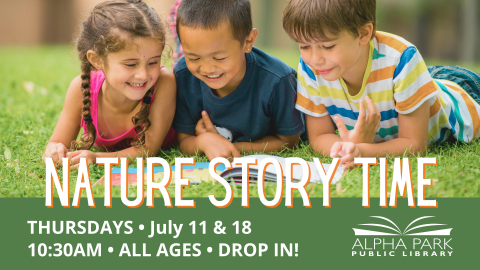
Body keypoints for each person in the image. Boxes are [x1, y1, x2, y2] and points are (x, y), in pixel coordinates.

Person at [282, 0, 480, 169]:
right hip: (414, 82)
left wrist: (361, 151)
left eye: (328, 46)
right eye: (304, 46)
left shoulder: (402, 59)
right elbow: (319, 136)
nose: (315, 59)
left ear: (363, 34)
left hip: (462, 91)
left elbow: (414, 145)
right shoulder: (310, 67)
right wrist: (347, 147)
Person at [44, 0, 176, 167]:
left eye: (152, 62)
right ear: (97, 60)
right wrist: (55, 151)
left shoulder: (164, 82)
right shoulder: (81, 88)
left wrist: (95, 158)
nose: (143, 74)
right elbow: (57, 143)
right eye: (130, 64)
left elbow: (147, 150)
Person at [173, 0, 304, 161]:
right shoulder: (183, 75)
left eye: (219, 58)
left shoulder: (277, 80)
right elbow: (184, 140)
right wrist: (203, 141)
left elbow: (288, 142)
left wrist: (227, 147)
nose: (207, 68)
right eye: (194, 58)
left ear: (248, 41)